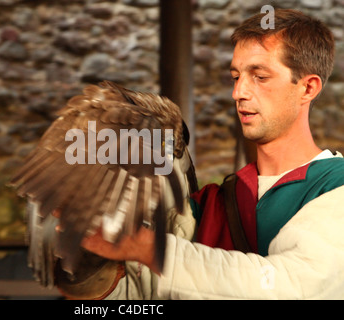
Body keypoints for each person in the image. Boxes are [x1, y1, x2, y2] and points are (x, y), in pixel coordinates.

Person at [80, 9, 344, 299]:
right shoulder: (208, 205)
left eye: (260, 76)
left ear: (308, 87)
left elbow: (290, 287)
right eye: (236, 76)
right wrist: (89, 260)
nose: (239, 92)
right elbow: (138, 295)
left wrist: (147, 248)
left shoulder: (336, 189)